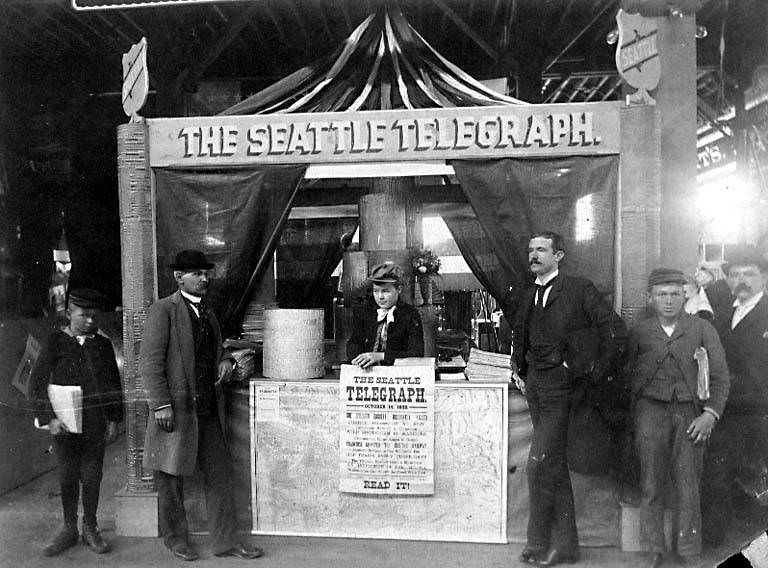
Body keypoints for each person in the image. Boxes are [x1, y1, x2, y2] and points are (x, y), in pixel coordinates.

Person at [513, 231, 627, 566]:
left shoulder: (579, 289)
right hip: (534, 384)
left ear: (559, 255)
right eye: (531, 249)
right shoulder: (529, 292)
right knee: (552, 465)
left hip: (563, 390)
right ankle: (564, 547)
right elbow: (521, 334)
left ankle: (539, 541)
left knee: (538, 465)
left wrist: (582, 368)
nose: (534, 255)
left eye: (541, 250)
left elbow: (616, 331)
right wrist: (517, 366)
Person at [141, 250, 263, 562]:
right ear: (178, 277)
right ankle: (176, 540)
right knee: (170, 477)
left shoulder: (208, 313)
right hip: (175, 410)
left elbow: (218, 347)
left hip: (206, 410)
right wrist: (160, 406)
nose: (204, 278)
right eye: (196, 273)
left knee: (220, 476)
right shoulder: (163, 311)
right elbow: (150, 363)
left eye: (206, 273)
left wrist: (224, 360)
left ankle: (225, 542)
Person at [628, 268, 729, 568]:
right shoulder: (640, 330)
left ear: (685, 295)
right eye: (661, 294)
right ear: (650, 298)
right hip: (649, 412)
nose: (669, 300)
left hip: (690, 413)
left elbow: (721, 377)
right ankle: (654, 549)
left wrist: (710, 414)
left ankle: (688, 550)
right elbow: (627, 372)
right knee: (651, 483)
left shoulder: (702, 328)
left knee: (688, 484)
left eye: (675, 293)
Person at [31, 288, 123, 556]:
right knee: (68, 475)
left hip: (95, 423)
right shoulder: (55, 342)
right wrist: (49, 419)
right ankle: (69, 527)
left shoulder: (103, 345)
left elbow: (113, 385)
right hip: (64, 424)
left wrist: (115, 419)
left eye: (94, 316)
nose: (91, 321)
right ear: (69, 314)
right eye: (84, 316)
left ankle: (90, 527)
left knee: (92, 476)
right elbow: (35, 384)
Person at [701, 248, 768, 547]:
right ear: (727, 280)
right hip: (727, 408)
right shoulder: (724, 310)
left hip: (759, 409)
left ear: (764, 277)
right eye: (735, 275)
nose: (742, 281)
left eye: (749, 274)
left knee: (756, 479)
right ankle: (714, 548)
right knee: (717, 473)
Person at [347, 262, 424, 369]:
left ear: (399, 290)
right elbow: (354, 343)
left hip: (397, 374)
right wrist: (358, 359)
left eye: (385, 291)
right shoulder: (365, 312)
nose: (380, 297)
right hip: (367, 372)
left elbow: (416, 353)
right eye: (376, 291)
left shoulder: (410, 314)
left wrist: (381, 356)